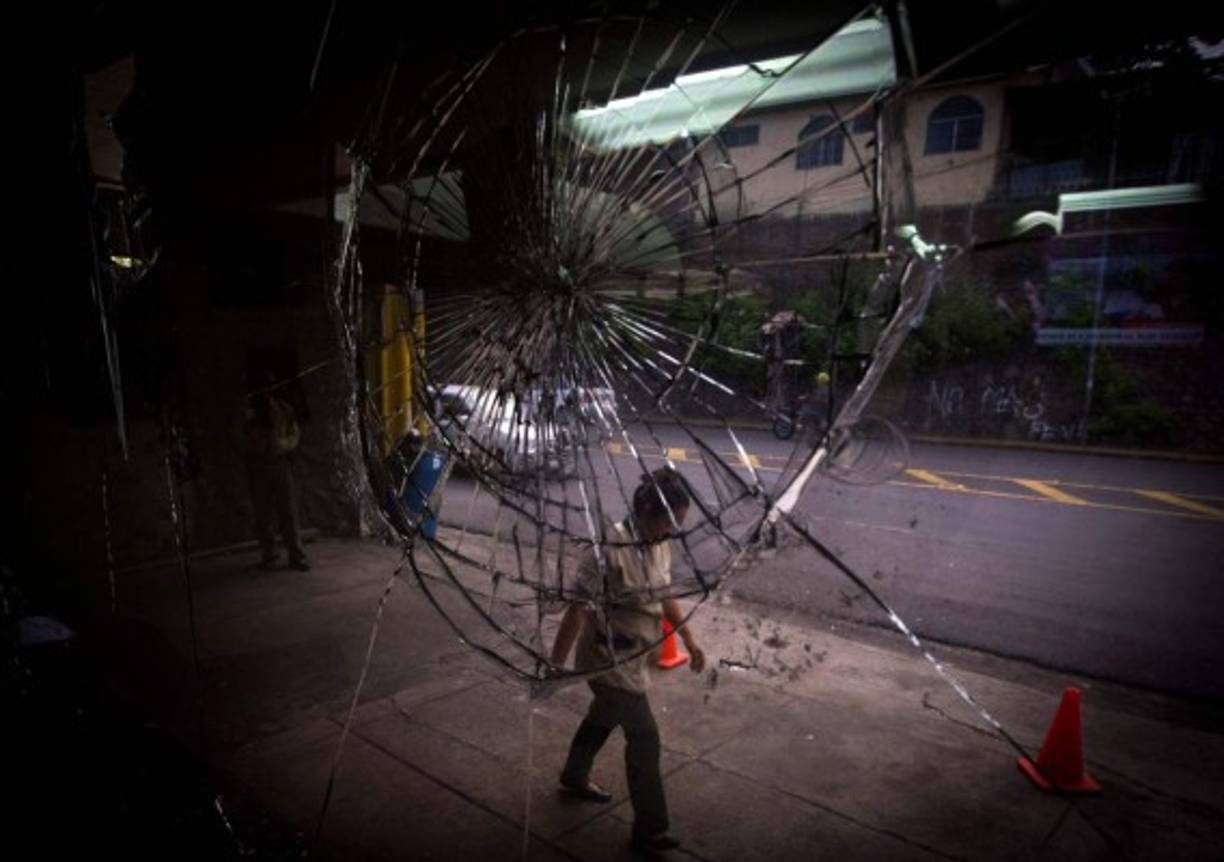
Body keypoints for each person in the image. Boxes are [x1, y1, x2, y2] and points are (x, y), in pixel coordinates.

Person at [549, 467, 705, 854]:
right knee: (644, 737)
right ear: (647, 513)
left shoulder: (659, 543)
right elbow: (578, 608)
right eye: (670, 523)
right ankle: (649, 829)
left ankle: (573, 775)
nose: (673, 532)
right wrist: (555, 663)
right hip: (606, 660)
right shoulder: (608, 547)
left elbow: (664, 593)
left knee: (603, 717)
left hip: (636, 655)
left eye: (678, 524)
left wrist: (689, 637)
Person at [240, 371, 309, 571]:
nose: (265, 392)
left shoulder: (283, 409)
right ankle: (269, 554)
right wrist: (255, 443)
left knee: (288, 511)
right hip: (258, 465)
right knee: (263, 513)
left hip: (279, 463)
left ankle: (296, 555)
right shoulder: (247, 411)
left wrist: (282, 445)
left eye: (269, 387)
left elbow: (294, 434)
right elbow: (239, 437)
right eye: (261, 388)